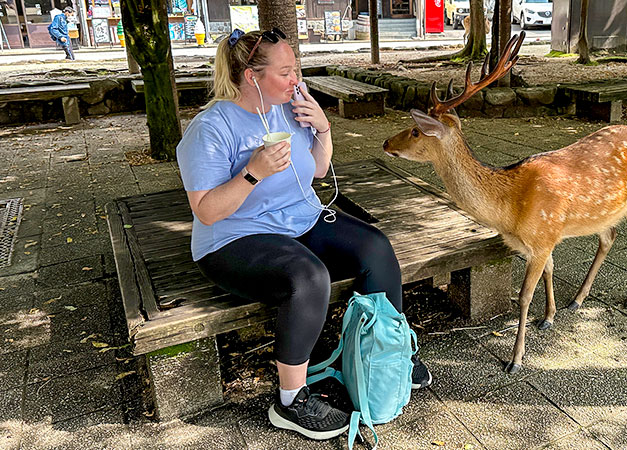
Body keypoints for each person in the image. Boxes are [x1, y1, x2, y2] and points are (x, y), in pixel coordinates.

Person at [175, 28, 433, 440]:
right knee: (308, 276)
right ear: (250, 76)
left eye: (296, 69)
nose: (296, 80)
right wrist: (253, 172)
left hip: (299, 218)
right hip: (234, 237)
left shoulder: (288, 107)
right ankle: (291, 401)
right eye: (286, 72)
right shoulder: (210, 128)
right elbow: (207, 212)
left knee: (375, 247)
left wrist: (324, 130)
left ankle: (386, 354)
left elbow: (315, 169)